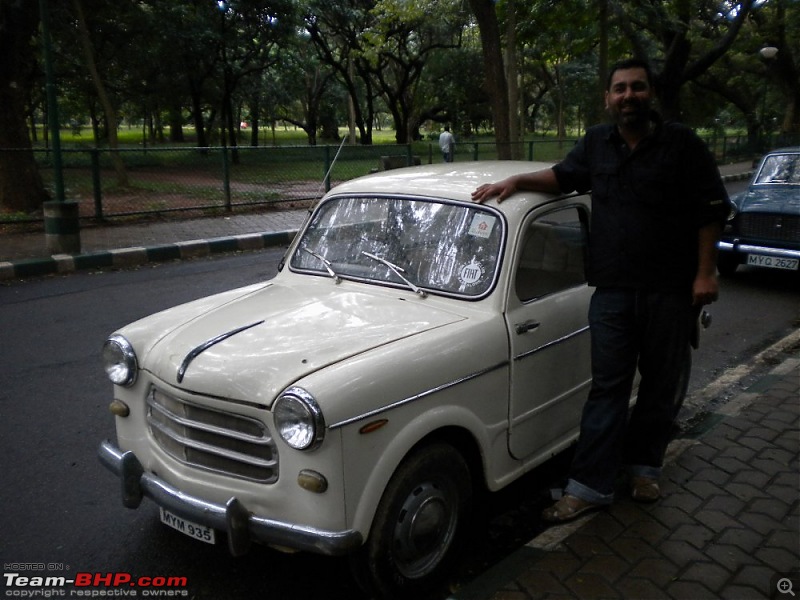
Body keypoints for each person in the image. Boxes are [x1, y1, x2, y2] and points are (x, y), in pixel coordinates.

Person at [472, 58, 730, 523]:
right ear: (608, 98)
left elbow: (710, 210)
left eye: (637, 87)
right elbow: (562, 177)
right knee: (607, 389)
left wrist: (705, 273)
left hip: (669, 291)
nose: (628, 96)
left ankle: (645, 469)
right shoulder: (597, 142)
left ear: (650, 94)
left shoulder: (682, 145)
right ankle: (589, 486)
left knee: (658, 386)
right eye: (620, 89)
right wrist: (516, 181)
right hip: (612, 292)